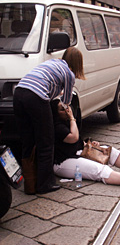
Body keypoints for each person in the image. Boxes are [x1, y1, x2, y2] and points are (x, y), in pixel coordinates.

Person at [13, 47, 85, 194]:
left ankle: (30, 183)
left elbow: (47, 86)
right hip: (36, 97)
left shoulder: (52, 63)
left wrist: (57, 91)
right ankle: (44, 184)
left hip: (19, 93)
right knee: (46, 141)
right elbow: (66, 102)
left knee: (28, 140)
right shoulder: (69, 74)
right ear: (78, 63)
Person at [51, 99, 120, 188]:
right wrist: (72, 118)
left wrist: (88, 143)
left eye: (66, 107)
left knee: (108, 151)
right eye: (62, 109)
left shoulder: (65, 122)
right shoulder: (57, 126)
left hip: (77, 152)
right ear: (55, 113)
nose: (67, 111)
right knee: (98, 169)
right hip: (63, 163)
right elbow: (73, 138)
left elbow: (76, 141)